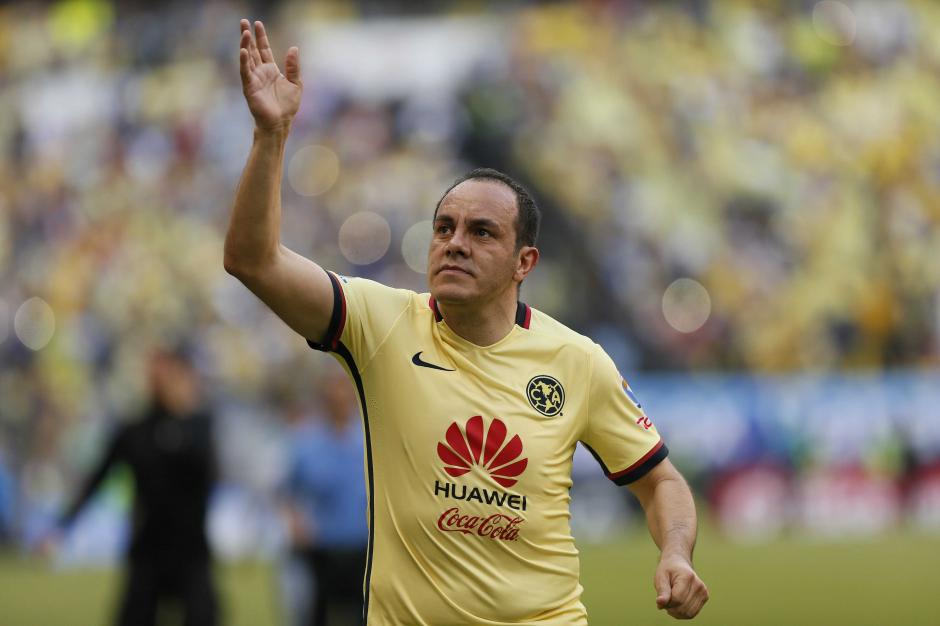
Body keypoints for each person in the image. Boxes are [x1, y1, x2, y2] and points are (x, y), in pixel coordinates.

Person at [225, 19, 709, 624]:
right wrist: (271, 136)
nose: (455, 243)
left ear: (524, 262)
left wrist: (676, 552)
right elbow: (253, 261)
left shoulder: (577, 361)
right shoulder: (379, 323)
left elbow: (661, 482)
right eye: (444, 228)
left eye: (482, 232)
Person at [53, 346, 219, 626]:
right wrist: (64, 523)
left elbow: (207, 473)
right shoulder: (135, 432)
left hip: (191, 551)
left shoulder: (200, 427)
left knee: (203, 614)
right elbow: (98, 478)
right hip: (148, 551)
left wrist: (182, 414)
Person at [280, 368, 369, 626]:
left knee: (365, 615)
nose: (338, 398)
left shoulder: (369, 438)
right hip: (320, 547)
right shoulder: (305, 440)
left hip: (363, 546)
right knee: (313, 613)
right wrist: (295, 522)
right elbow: (287, 491)